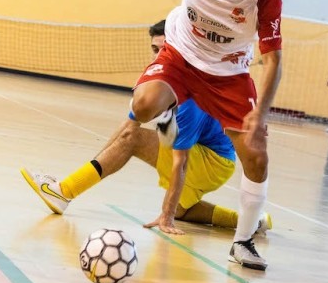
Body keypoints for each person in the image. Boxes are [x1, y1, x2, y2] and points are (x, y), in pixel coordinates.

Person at [130, 0, 283, 271]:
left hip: (228, 75)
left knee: (257, 154)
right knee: (143, 105)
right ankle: (169, 106)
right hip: (182, 57)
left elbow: (273, 60)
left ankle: (243, 242)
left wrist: (260, 112)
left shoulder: (266, 1)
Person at [20, 20, 272, 236]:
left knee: (137, 142)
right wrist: (98, 162)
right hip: (199, 151)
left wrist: (166, 215)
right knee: (185, 208)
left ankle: (63, 192)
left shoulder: (192, 94)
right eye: (154, 49)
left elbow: (176, 160)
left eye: (164, 49)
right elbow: (128, 126)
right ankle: (253, 222)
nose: (157, 55)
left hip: (213, 162)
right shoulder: (160, 82)